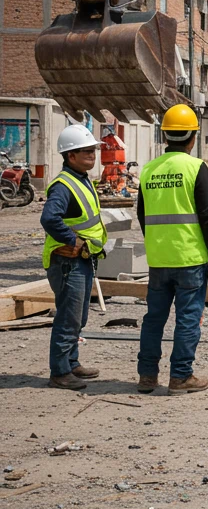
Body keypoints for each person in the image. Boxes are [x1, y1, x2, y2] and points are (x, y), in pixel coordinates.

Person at [136, 104, 208, 395]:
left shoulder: (148, 170)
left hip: (159, 259)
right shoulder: (195, 168)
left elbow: (142, 214)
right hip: (190, 258)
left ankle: (147, 376)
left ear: (165, 136)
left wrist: (157, 242)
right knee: (188, 319)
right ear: (192, 138)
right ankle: (180, 376)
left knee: (154, 319)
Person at [40, 124, 107, 391]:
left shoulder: (82, 178)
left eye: (93, 150)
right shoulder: (63, 186)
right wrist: (73, 240)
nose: (92, 154)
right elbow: (49, 218)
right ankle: (60, 371)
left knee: (79, 316)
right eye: (86, 151)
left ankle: (71, 362)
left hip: (81, 259)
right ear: (70, 156)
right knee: (68, 317)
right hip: (67, 261)